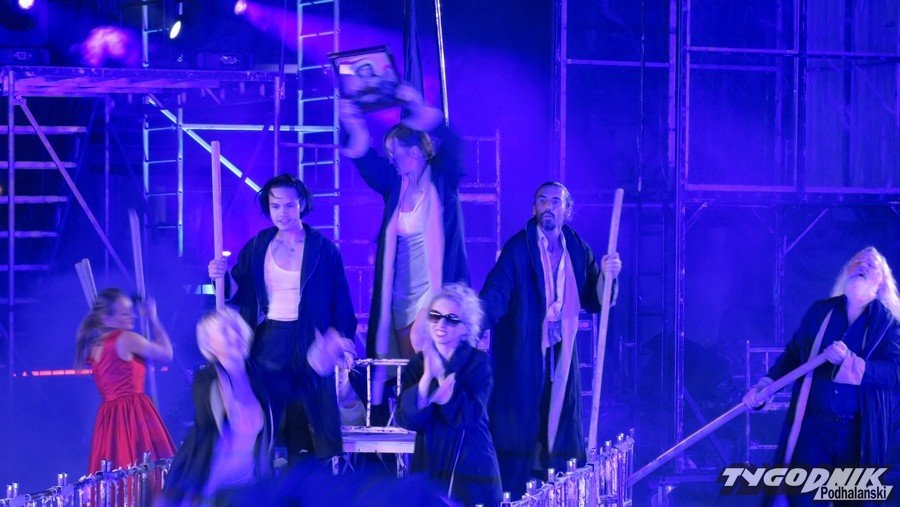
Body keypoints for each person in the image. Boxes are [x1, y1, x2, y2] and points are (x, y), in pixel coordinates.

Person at [479, 181, 622, 497]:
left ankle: (559, 498)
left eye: (555, 201)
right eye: (542, 201)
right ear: (534, 209)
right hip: (522, 355)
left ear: (567, 210)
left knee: (559, 433)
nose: (548, 206)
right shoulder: (518, 249)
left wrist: (608, 276)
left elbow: (595, 300)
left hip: (561, 357)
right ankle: (515, 498)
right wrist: (472, 324)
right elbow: (496, 294)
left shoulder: (577, 249)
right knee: (520, 433)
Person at [208, 174, 356, 466]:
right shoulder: (258, 245)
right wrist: (219, 277)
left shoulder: (324, 249)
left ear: (302, 204)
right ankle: (266, 468)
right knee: (268, 405)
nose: (282, 213)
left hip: (310, 336)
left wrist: (341, 340)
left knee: (309, 408)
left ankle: (308, 469)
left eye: (289, 205)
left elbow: (341, 301)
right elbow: (239, 289)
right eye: (276, 206)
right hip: (271, 336)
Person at [743, 247, 900, 505]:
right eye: (857, 261)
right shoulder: (821, 312)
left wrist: (851, 363)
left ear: (881, 280)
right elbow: (793, 355)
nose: (862, 265)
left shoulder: (888, 324)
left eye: (870, 264)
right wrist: (766, 385)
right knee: (801, 499)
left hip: (857, 434)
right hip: (813, 430)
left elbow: (894, 373)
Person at [339, 84, 468, 368]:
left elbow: (455, 146)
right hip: (399, 297)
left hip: (434, 293)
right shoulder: (395, 186)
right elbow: (366, 162)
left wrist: (420, 110)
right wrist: (353, 124)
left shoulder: (443, 181)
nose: (390, 160)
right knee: (403, 371)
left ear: (414, 152)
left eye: (394, 153)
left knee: (434, 368)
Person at [396, 283, 503, 506]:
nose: (441, 324)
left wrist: (446, 396)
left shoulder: (478, 363)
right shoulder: (418, 365)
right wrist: (425, 381)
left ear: (465, 327)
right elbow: (405, 419)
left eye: (451, 319)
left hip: (471, 466)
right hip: (430, 463)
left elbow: (471, 416)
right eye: (435, 316)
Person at [162, 308, 274, 504]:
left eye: (236, 328)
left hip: (248, 487)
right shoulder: (206, 380)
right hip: (209, 489)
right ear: (209, 345)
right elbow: (207, 422)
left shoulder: (258, 376)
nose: (234, 335)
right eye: (224, 331)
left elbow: (295, 381)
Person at [75, 288, 175, 473]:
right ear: (107, 319)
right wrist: (153, 318)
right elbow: (166, 353)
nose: (133, 316)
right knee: (142, 465)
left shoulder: (95, 346)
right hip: (133, 411)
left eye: (131, 311)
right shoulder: (126, 338)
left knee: (116, 465)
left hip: (109, 417)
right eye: (124, 313)